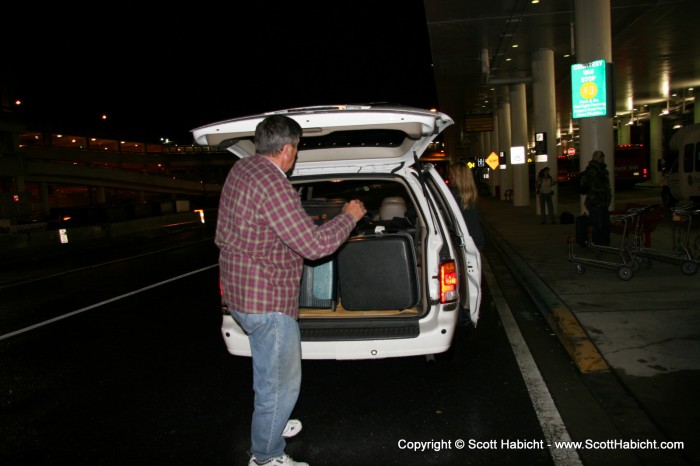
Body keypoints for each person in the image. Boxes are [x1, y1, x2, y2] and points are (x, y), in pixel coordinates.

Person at [216, 115, 366, 466]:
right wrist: (349, 216)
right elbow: (315, 246)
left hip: (240, 294)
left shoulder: (242, 170)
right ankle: (266, 455)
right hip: (267, 300)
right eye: (295, 149)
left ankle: (272, 424)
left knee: (266, 375)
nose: (295, 156)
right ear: (286, 149)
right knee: (280, 384)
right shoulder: (274, 183)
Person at [448, 162, 485, 251]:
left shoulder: (455, 195)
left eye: (451, 176)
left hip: (467, 241)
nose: (449, 178)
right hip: (475, 240)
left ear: (459, 178)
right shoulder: (469, 196)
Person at [580, 150, 612, 246]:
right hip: (596, 201)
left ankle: (603, 241)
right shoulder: (592, 170)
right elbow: (593, 185)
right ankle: (598, 241)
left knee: (604, 223)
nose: (603, 159)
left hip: (602, 201)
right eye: (601, 157)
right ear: (598, 158)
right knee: (598, 223)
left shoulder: (601, 170)